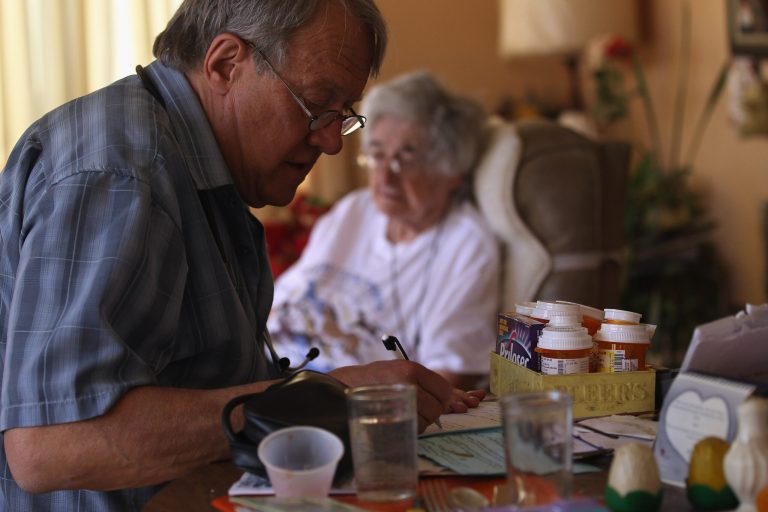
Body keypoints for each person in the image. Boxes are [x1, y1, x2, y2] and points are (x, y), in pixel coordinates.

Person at [0, 2, 482, 510]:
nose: (331, 143)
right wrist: (312, 400)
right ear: (227, 64)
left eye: (342, 116)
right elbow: (51, 446)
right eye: (318, 104)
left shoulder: (202, 168)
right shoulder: (124, 173)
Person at [269, 71, 500, 390]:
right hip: (257, 364)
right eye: (377, 155)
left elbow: (448, 377)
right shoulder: (354, 210)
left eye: (406, 158)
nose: (384, 179)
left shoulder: (465, 244)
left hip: (328, 403)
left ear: (452, 169)